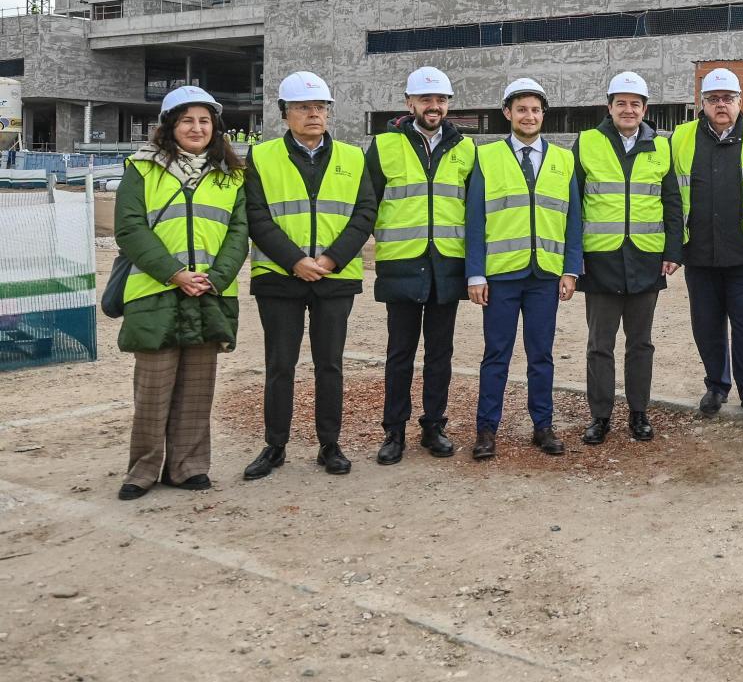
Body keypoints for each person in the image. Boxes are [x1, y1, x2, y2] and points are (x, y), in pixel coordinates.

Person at [113, 86, 249, 500]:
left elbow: (239, 232)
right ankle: (143, 470)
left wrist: (217, 277)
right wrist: (174, 274)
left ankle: (188, 466)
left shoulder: (232, 174)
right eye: (187, 120)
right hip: (155, 292)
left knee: (197, 387)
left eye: (204, 121)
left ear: (216, 127)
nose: (196, 128)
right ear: (169, 126)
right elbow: (130, 228)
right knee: (153, 387)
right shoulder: (141, 169)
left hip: (209, 292)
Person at [242, 71, 377, 480]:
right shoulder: (262, 156)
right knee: (280, 363)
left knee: (330, 364)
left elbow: (365, 213)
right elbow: (256, 214)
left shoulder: (353, 157)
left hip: (334, 278)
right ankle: (275, 444)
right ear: (285, 114)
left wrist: (333, 259)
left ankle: (329, 444)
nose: (313, 114)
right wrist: (295, 260)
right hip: (280, 278)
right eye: (303, 108)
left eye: (320, 107)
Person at [466, 78, 582, 460]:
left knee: (541, 355)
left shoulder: (564, 160)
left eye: (535, 110)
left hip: (544, 276)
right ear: (507, 114)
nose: (529, 116)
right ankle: (486, 430)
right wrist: (476, 273)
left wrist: (571, 270)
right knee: (496, 354)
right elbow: (475, 218)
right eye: (521, 109)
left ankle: (543, 426)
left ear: (543, 114)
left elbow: (573, 220)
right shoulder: (485, 157)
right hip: (500, 276)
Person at [365, 67, 473, 464]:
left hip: (447, 266)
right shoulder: (385, 145)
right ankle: (393, 432)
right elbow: (368, 203)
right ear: (409, 103)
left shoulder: (465, 149)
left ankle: (433, 426)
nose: (434, 106)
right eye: (426, 99)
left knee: (440, 353)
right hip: (402, 266)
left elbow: (472, 210)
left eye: (441, 100)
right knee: (400, 353)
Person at [576, 71, 684, 444]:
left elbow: (672, 201)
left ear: (645, 109)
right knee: (599, 344)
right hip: (600, 260)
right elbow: (574, 204)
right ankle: (600, 416)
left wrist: (673, 250)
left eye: (635, 104)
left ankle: (639, 413)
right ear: (609, 107)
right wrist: (575, 258)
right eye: (620, 103)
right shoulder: (587, 142)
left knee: (641, 343)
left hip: (645, 260)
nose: (628, 109)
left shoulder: (662, 146)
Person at [672, 68, 743, 421]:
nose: (721, 105)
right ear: (701, 103)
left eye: (728, 99)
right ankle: (716, 386)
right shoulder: (681, 137)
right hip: (700, 251)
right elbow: (671, 195)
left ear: (740, 101)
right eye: (713, 99)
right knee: (706, 322)